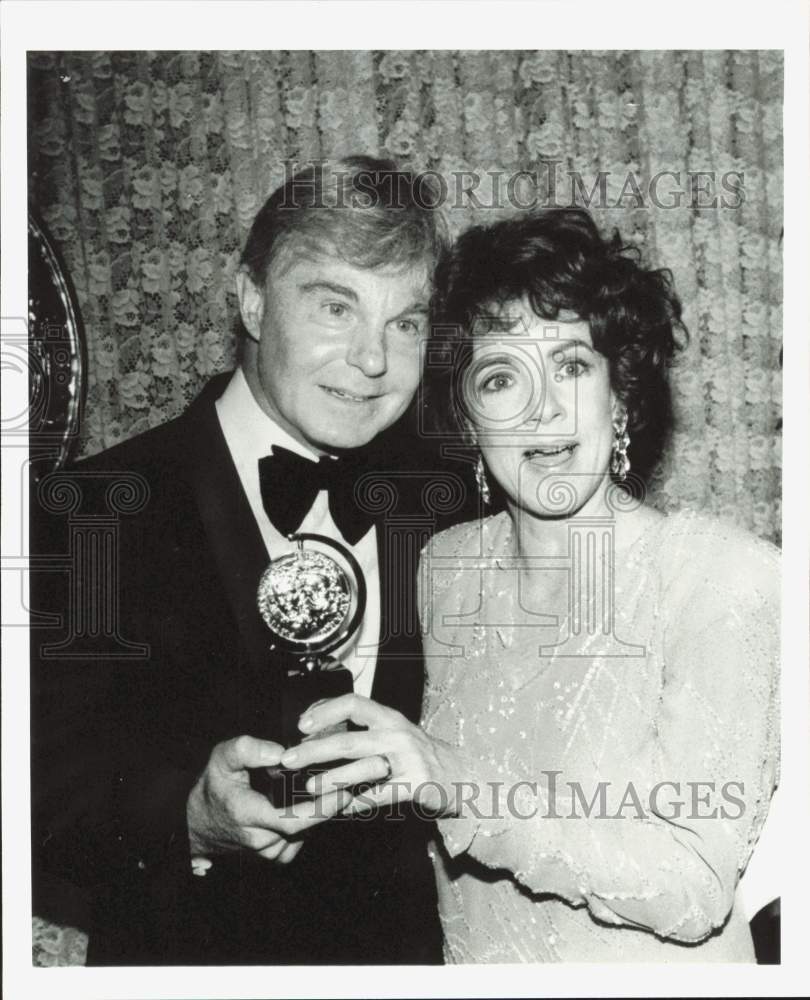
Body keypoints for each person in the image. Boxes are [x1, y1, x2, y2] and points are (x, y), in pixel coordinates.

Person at [278, 208, 781, 961]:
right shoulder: (443, 570)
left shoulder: (722, 578)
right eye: (503, 375)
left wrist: (460, 788)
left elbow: (693, 883)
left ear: (622, 395)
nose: (544, 407)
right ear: (468, 415)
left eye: (574, 366)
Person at [30, 156, 453, 965]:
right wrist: (187, 813)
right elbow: (36, 777)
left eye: (405, 322)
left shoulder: (452, 506)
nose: (374, 360)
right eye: (336, 306)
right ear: (253, 299)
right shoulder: (88, 511)